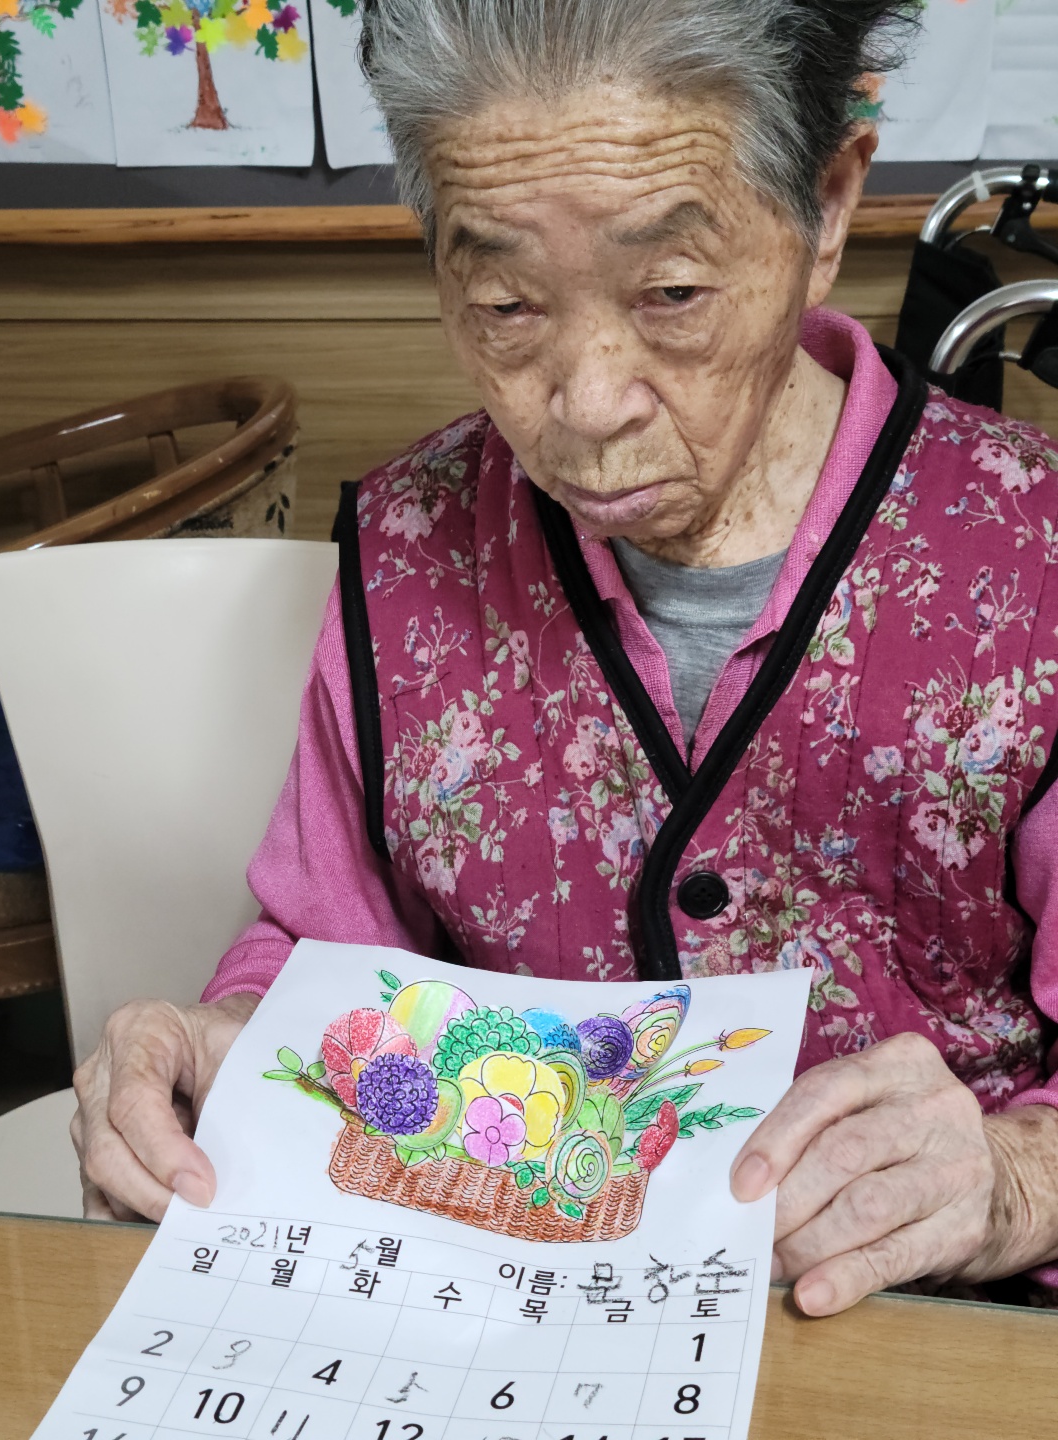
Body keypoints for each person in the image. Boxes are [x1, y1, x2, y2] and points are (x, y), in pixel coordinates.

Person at [72, 0, 1058, 1315]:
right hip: (500, 1317)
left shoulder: (1031, 555)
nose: (588, 405)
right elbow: (329, 941)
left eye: (674, 294)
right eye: (505, 304)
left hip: (930, 1329)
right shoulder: (412, 544)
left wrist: (1010, 1180)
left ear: (826, 208)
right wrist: (231, 1054)